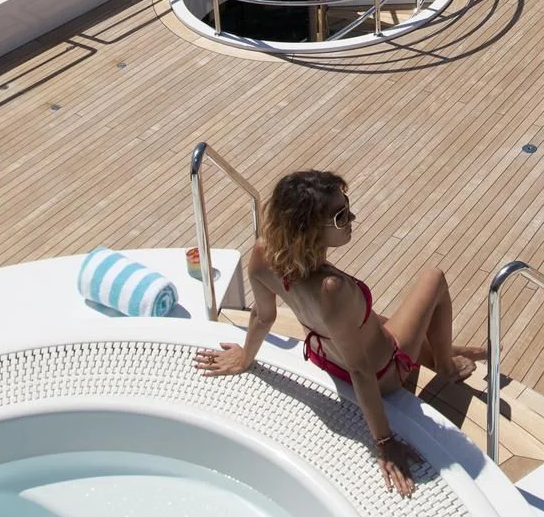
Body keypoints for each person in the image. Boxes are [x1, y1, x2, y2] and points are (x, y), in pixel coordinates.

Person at [193, 169, 482, 496]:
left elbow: (263, 315)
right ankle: (445, 364)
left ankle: (442, 348)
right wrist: (384, 441)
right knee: (434, 278)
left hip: (326, 356)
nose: (352, 218)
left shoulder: (263, 254)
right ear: (309, 229)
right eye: (340, 216)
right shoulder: (332, 289)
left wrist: (246, 357)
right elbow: (360, 370)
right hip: (384, 372)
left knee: (377, 319)